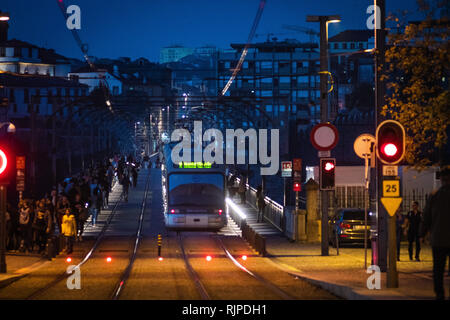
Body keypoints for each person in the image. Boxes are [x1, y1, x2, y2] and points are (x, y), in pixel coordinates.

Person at [421, 167, 450, 300]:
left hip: (438, 239)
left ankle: (440, 294)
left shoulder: (435, 196)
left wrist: (422, 234)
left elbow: (426, 217)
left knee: (438, 268)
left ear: (441, 180)